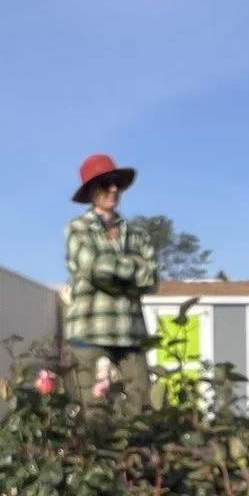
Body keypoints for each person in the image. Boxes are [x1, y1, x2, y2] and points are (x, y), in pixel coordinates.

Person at [62, 155, 158, 408]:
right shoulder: (77, 229)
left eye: (116, 182)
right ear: (91, 191)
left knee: (141, 407)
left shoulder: (137, 233)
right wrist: (134, 269)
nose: (113, 188)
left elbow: (152, 279)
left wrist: (116, 273)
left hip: (131, 335)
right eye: (105, 183)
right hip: (90, 334)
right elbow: (95, 269)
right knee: (94, 412)